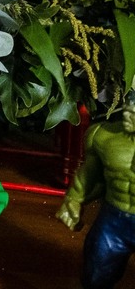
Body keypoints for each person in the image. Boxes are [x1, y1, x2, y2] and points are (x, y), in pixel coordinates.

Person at [59, 90, 135, 289]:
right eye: (130, 103)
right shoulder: (103, 136)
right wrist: (74, 200)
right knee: (95, 275)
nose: (131, 112)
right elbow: (90, 174)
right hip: (113, 221)